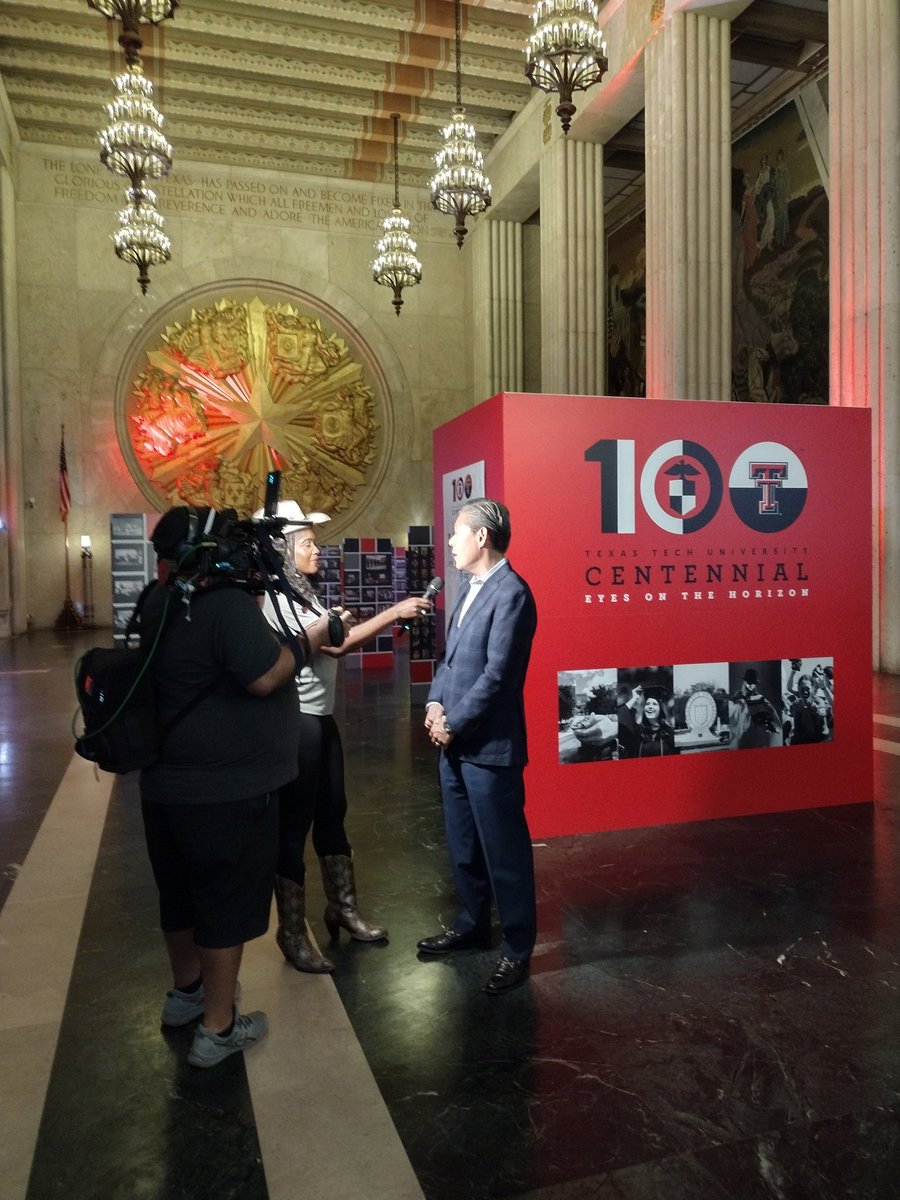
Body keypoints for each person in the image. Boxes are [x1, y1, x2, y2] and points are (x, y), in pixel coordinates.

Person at [139, 506, 304, 1069]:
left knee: (179, 895)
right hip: (226, 792)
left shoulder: (159, 601)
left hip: (165, 786)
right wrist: (308, 642)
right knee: (224, 904)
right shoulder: (225, 606)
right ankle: (218, 1027)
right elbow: (264, 675)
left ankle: (185, 996)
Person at [262, 502, 434, 973]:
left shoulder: (302, 592)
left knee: (332, 814)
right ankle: (292, 931)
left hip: (322, 720)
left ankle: (342, 907)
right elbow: (335, 644)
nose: (317, 551)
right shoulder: (277, 599)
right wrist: (395, 610)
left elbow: (332, 636)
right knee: (294, 827)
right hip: (298, 723)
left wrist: (341, 617)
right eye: (308, 544)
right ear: (282, 550)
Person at [419, 498, 538, 996]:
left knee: (503, 853)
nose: (449, 542)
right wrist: (432, 706)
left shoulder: (513, 594)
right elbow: (450, 664)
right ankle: (471, 924)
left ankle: (516, 949)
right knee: (463, 844)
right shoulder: (468, 589)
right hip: (456, 743)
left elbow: (498, 678)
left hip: (489, 748)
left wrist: (454, 723)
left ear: (482, 537)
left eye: (456, 533)